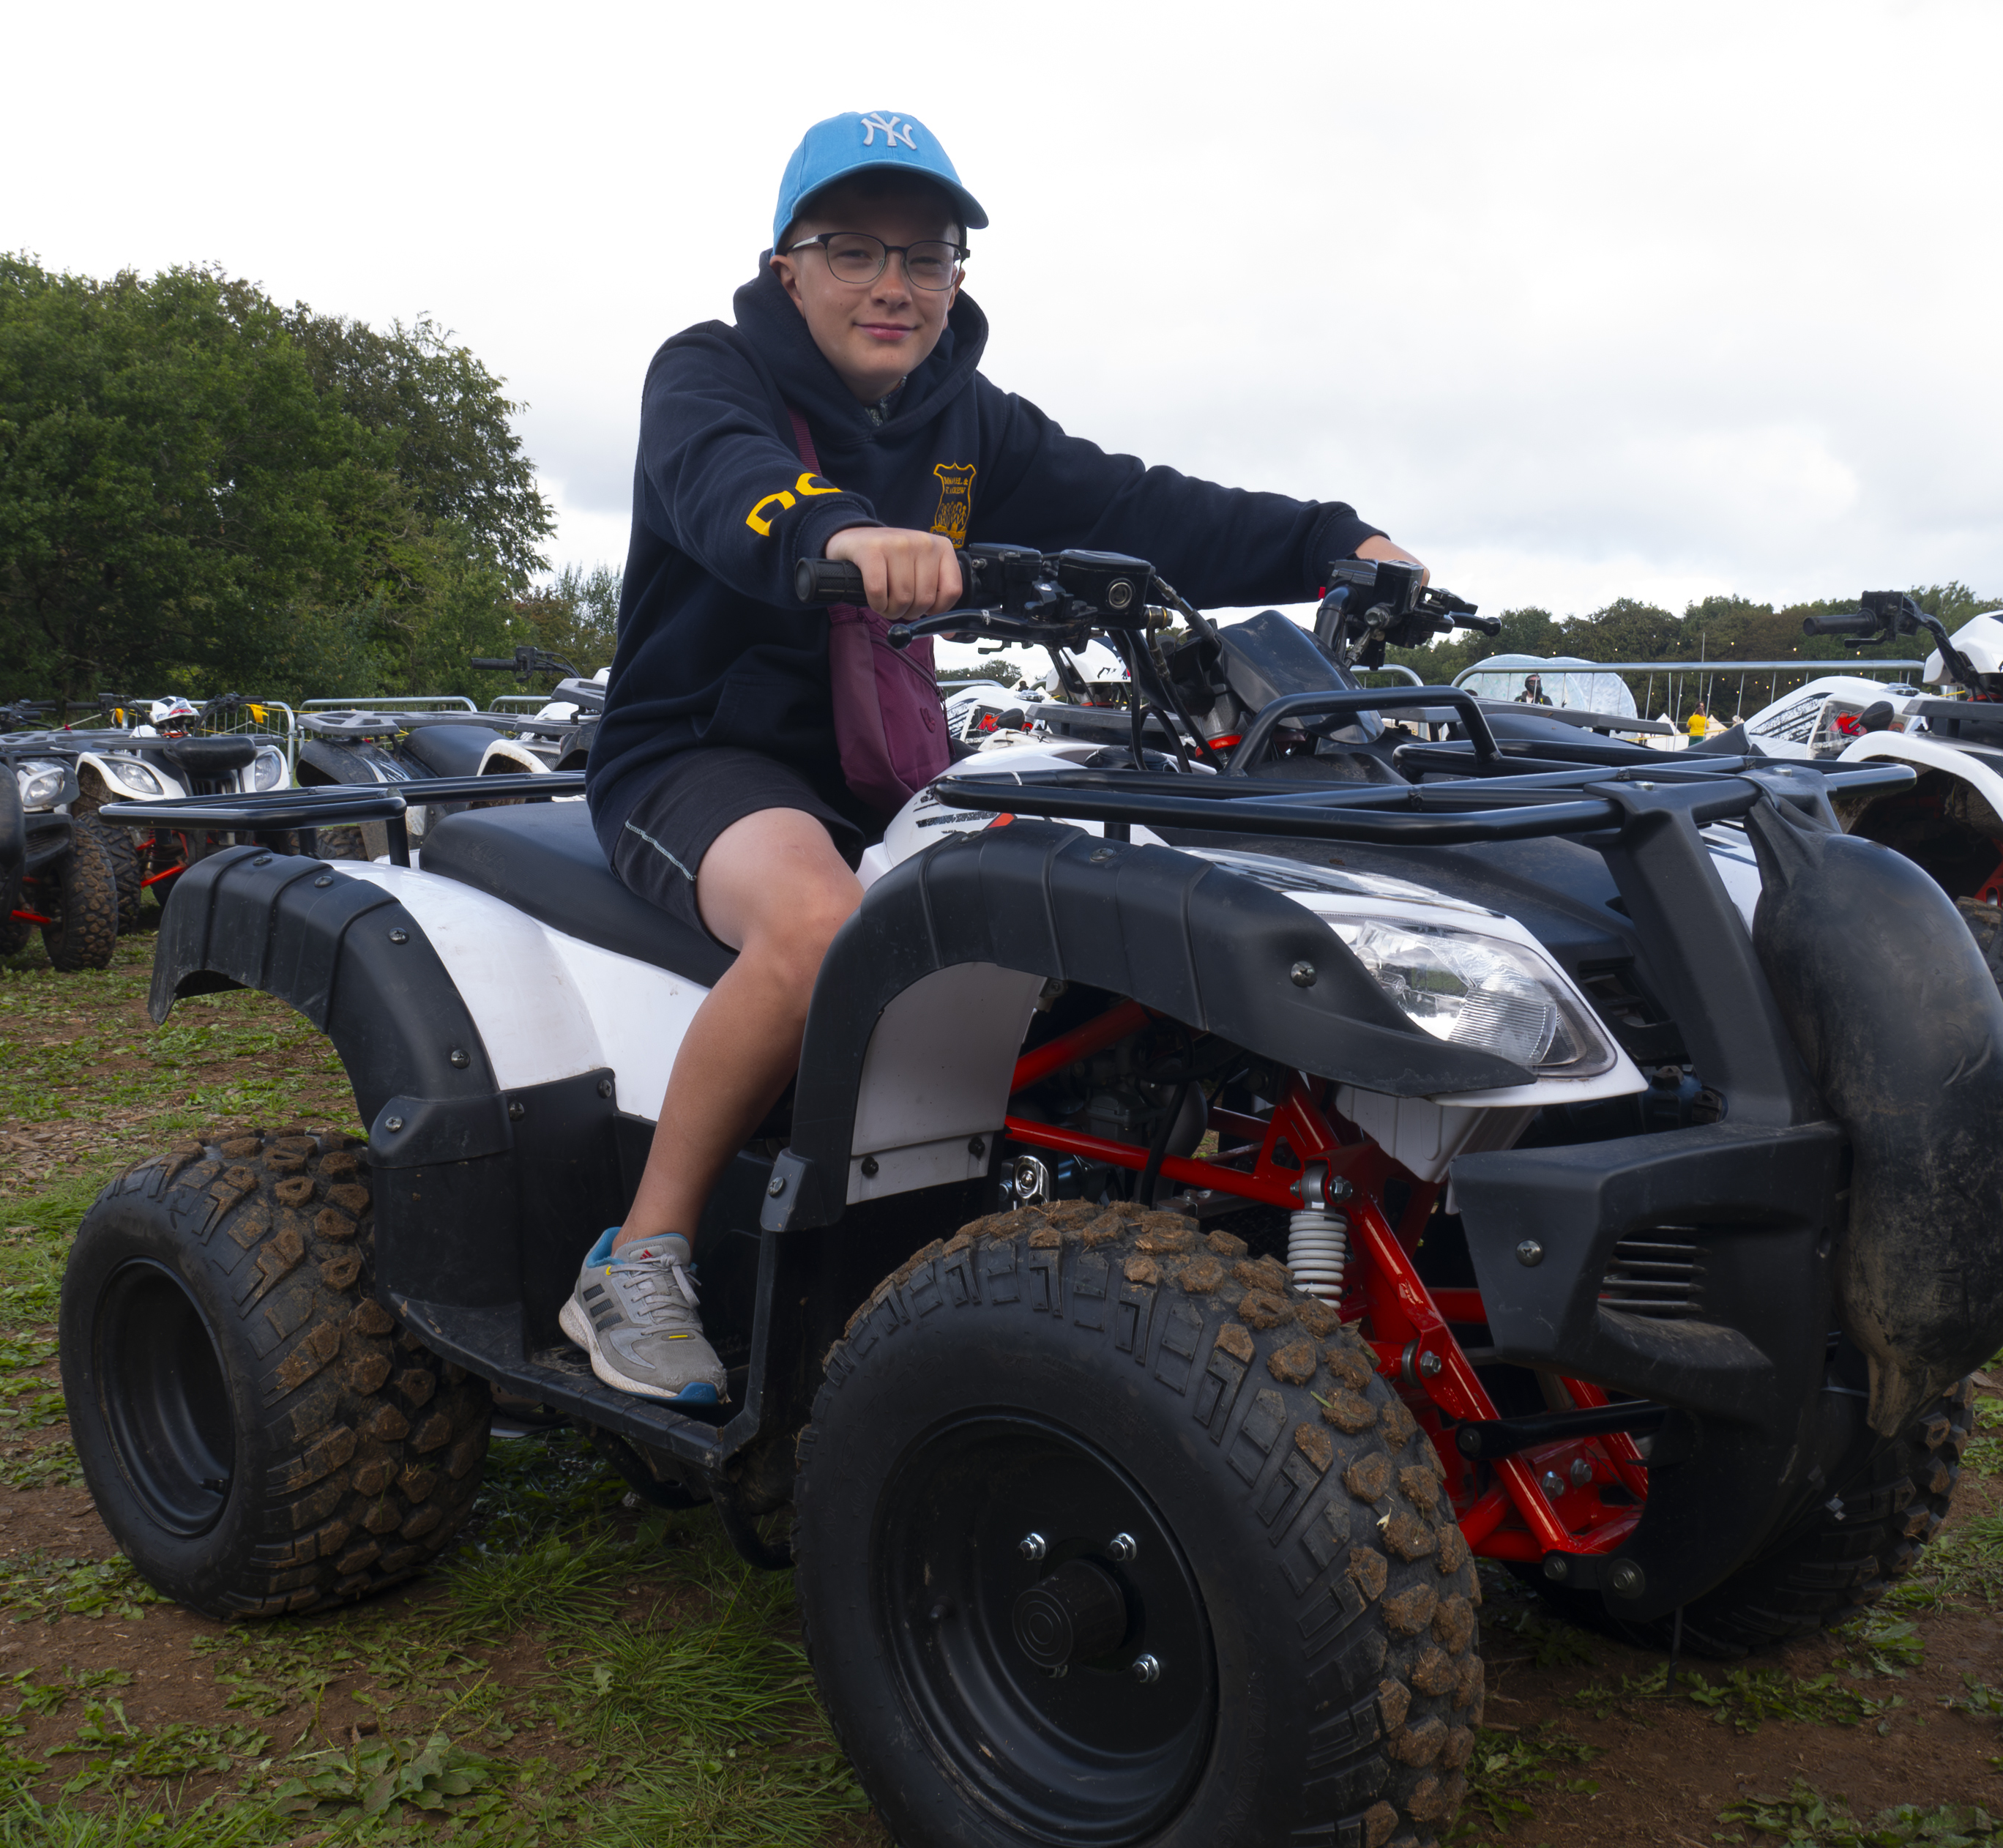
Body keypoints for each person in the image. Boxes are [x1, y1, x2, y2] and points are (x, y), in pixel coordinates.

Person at [557, 110, 1422, 1404]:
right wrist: (839, 536)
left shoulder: (970, 419)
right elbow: (727, 486)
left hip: (884, 765)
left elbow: (1137, 506)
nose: (895, 286)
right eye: (854, 250)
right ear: (787, 264)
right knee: (816, 925)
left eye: (929, 255)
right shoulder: (708, 372)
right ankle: (641, 1255)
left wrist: (1333, 542)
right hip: (700, 753)